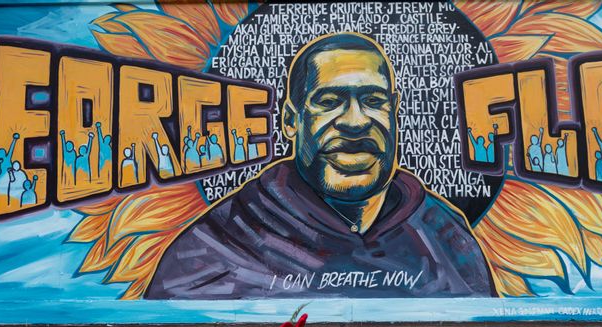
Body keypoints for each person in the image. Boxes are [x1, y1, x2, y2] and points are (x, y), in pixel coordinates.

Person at [145, 33, 494, 299]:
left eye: (373, 100)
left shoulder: (444, 236)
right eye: (329, 101)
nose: (356, 122)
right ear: (291, 120)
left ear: (395, 110)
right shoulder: (218, 244)